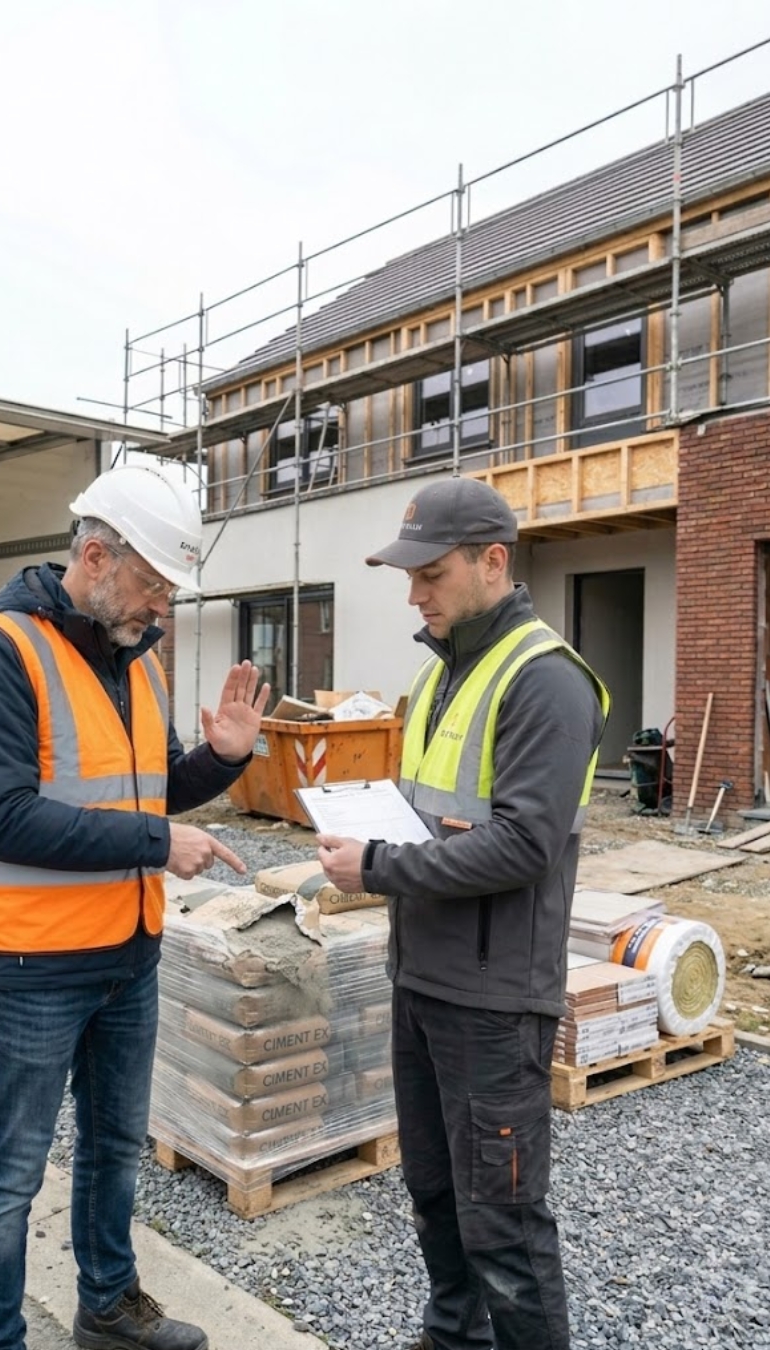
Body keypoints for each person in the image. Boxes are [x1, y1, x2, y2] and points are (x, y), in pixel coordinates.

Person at [0, 463, 269, 1350]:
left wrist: (223, 759)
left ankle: (107, 1308)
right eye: (154, 585)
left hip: (128, 959)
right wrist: (158, 847)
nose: (163, 609)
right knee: (11, 1173)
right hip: (31, 970)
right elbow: (1, 816)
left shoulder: (137, 662)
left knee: (116, 1150)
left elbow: (146, 793)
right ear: (94, 557)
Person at [316, 476, 609, 1350]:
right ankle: (454, 1337)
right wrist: (370, 826)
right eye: (409, 577)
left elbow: (522, 845)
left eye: (430, 574)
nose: (414, 594)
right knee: (437, 1192)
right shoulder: (443, 672)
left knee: (505, 1224)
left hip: (494, 1000)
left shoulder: (546, 681)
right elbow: (436, 815)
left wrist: (376, 865)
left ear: (493, 563)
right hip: (425, 979)